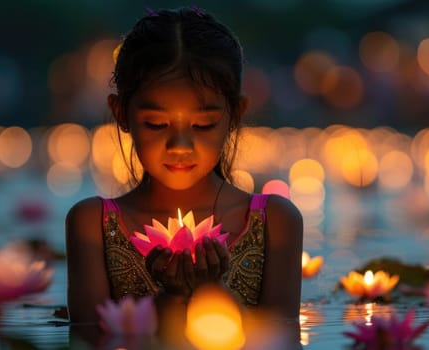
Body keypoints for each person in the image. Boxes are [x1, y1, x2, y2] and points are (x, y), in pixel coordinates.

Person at [65, 6, 303, 348]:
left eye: (203, 125)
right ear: (121, 114)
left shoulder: (275, 221)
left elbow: (282, 339)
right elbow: (88, 340)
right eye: (156, 125)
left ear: (235, 115)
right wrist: (171, 297)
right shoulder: (93, 224)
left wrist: (211, 290)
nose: (179, 146)